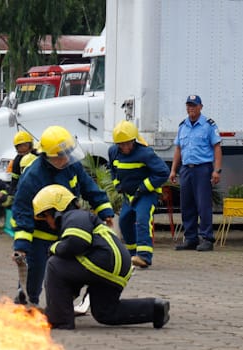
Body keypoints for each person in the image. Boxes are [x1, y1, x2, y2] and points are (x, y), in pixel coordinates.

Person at [32, 184, 170, 330]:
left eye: (45, 216)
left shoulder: (74, 216)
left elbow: (76, 243)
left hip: (104, 261)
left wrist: (53, 248)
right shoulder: (79, 218)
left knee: (54, 264)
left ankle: (59, 319)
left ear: (56, 209)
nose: (47, 222)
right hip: (116, 267)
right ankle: (156, 309)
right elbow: (75, 266)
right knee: (105, 312)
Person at [11, 125, 114, 306]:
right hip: (39, 234)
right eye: (60, 156)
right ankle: (27, 303)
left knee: (72, 270)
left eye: (68, 153)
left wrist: (105, 210)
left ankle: (63, 303)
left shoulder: (72, 166)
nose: (65, 158)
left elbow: (89, 187)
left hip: (67, 230)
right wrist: (21, 246)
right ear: (46, 156)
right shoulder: (33, 177)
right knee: (34, 272)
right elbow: (22, 211)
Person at [109, 120, 169, 268]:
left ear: (134, 140)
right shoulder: (113, 152)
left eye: (128, 143)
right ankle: (131, 255)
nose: (125, 147)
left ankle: (144, 257)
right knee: (124, 221)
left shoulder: (145, 153)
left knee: (143, 220)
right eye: (121, 144)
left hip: (146, 195)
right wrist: (118, 185)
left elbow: (163, 172)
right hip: (129, 195)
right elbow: (113, 170)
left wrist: (144, 187)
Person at [169, 94, 222, 252]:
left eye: (194, 105)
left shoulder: (208, 125)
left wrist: (216, 170)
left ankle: (207, 238)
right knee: (187, 205)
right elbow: (178, 149)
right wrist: (173, 170)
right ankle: (191, 238)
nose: (191, 108)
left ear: (200, 107)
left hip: (202, 169)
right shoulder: (182, 126)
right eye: (188, 105)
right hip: (186, 169)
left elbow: (217, 148)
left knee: (203, 205)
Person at [8, 130, 38, 195]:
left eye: (25, 145)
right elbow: (14, 182)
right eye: (20, 146)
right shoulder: (16, 161)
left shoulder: (38, 155)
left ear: (30, 145)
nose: (23, 148)